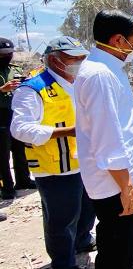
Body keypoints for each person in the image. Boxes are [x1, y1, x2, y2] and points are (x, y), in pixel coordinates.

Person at [74, 10, 133, 269]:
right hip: (115, 182)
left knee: (120, 244)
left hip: (121, 177)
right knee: (116, 249)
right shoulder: (100, 75)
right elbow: (107, 137)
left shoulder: (110, 69)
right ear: (119, 40)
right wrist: (126, 187)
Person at [10, 36, 96, 269]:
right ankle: (64, 263)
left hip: (86, 161)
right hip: (55, 166)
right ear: (55, 60)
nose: (79, 61)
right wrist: (66, 132)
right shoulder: (33, 89)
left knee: (88, 209)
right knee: (62, 219)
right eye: (73, 58)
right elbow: (20, 129)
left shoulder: (80, 83)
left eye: (82, 57)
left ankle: (83, 240)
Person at [0, 37, 35, 199]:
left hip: (15, 115)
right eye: (3, 54)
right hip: (0, 117)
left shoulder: (15, 69)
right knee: (2, 155)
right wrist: (2, 89)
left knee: (20, 150)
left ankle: (23, 180)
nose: (7, 56)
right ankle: (7, 188)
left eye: (9, 53)